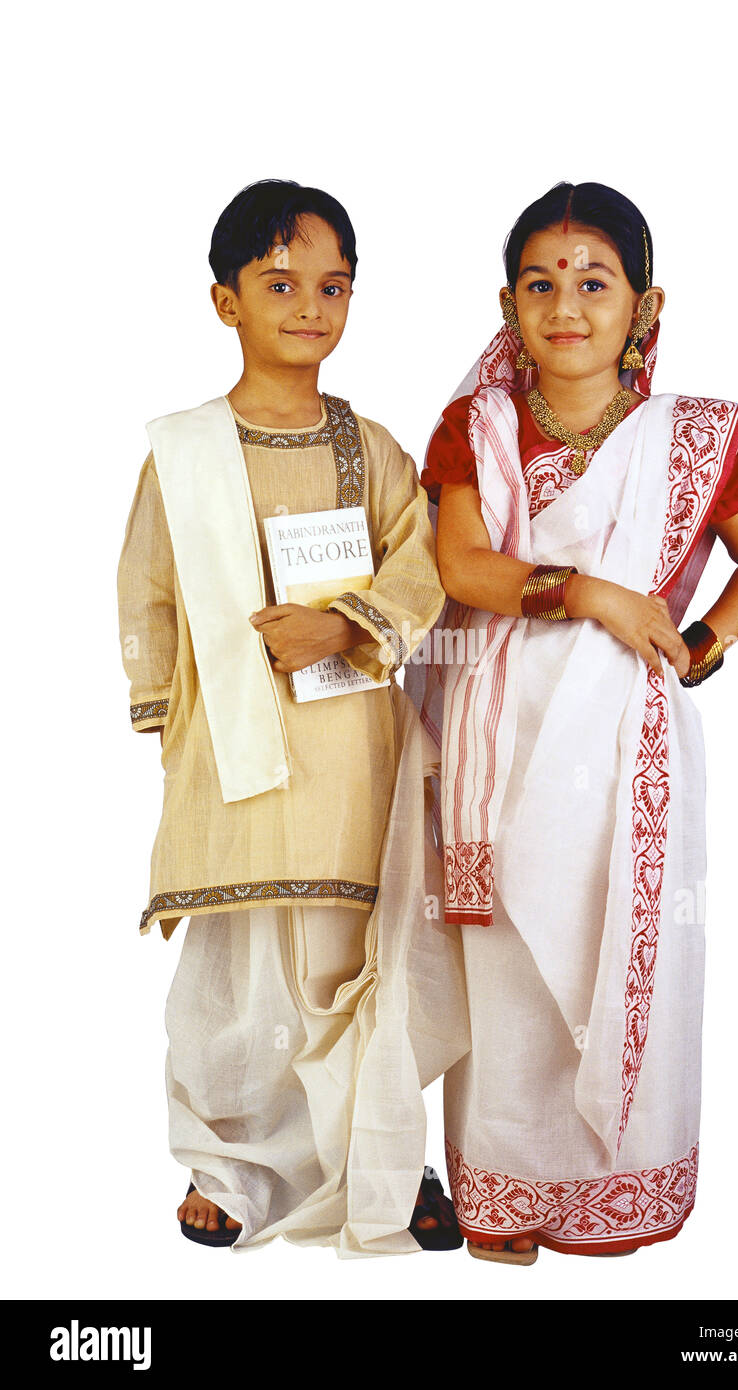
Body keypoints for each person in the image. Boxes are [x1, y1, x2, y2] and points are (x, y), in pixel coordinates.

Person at [413, 181, 738, 1264]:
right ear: (506, 302)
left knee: (620, 943)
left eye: (593, 282)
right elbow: (459, 567)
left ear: (644, 305)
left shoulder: (685, 441)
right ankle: (506, 1195)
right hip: (499, 726)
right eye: (540, 284)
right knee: (512, 974)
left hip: (630, 749)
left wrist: (698, 646)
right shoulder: (476, 427)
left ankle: (608, 1190)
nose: (565, 305)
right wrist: (595, 595)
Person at [117, 179, 468, 1257]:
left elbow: (427, 556)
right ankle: (224, 1166)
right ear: (225, 301)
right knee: (238, 967)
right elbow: (149, 589)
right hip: (229, 752)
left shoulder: (367, 444)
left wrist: (346, 626)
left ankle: (386, 1163)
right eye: (278, 283)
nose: (308, 306)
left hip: (351, 745)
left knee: (356, 953)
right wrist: (170, 714)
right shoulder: (181, 450)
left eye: (332, 285)